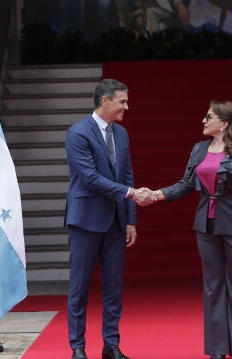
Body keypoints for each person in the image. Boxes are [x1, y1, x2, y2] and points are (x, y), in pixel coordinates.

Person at [147, 100, 232, 359]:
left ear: (224, 123)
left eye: (208, 116)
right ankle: (218, 350)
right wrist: (158, 194)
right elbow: (185, 184)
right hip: (206, 228)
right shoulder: (199, 149)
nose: (203, 120)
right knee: (213, 288)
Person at [64, 78, 152, 359]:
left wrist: (130, 219)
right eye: (122, 101)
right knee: (79, 286)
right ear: (105, 101)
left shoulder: (122, 133)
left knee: (113, 287)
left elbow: (127, 173)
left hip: (115, 221)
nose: (127, 106)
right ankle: (77, 347)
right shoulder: (77, 133)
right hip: (85, 220)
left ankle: (111, 345)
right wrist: (131, 193)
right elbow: (89, 178)